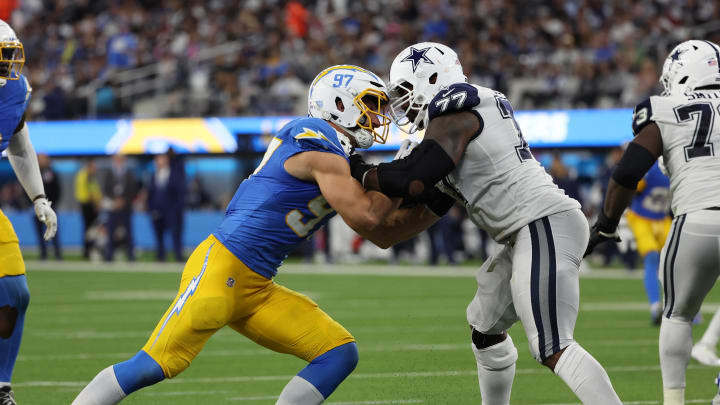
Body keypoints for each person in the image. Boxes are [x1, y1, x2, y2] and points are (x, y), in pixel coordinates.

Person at [71, 65, 402, 405]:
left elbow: (379, 222)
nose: (378, 117)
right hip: (223, 268)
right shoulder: (313, 134)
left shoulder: (339, 155)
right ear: (339, 103)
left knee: (338, 353)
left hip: (256, 286)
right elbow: (365, 215)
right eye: (370, 105)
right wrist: (406, 173)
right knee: (155, 364)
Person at [352, 42, 622, 404]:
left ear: (433, 78)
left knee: (553, 346)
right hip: (528, 232)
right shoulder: (450, 141)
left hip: (542, 221)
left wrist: (358, 170)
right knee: (485, 329)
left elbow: (415, 178)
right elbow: (398, 228)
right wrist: (350, 203)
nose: (402, 104)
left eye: (404, 92)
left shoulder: (458, 103)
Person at [585, 40, 720, 405]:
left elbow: (628, 172)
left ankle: (673, 401)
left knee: (677, 315)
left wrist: (607, 224)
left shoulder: (664, 107)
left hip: (696, 219)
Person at [0, 19, 57, 405]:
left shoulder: (13, 91)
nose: (9, 67)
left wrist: (39, 197)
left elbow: (19, 145)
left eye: (9, 57)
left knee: (13, 289)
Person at [625, 160, 671, 324]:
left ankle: (683, 306)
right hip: (641, 218)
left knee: (677, 259)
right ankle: (655, 306)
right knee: (652, 257)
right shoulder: (650, 166)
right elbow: (631, 187)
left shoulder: (675, 165)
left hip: (662, 218)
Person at [147, 149, 186, 261]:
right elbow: (150, 193)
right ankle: (160, 256)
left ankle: (178, 256)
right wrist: (151, 208)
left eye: (162, 159)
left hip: (172, 211)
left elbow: (180, 192)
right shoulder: (153, 175)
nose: (159, 161)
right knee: (158, 234)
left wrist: (177, 208)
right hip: (157, 210)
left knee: (175, 234)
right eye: (157, 159)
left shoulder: (175, 173)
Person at [101, 154, 137, 262]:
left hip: (126, 208)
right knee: (111, 231)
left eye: (121, 160)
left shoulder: (129, 174)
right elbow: (106, 189)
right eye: (117, 160)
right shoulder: (109, 174)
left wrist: (124, 201)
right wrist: (114, 201)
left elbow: (133, 190)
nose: (119, 162)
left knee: (129, 232)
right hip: (113, 208)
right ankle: (109, 255)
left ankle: (130, 255)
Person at [32, 153, 61, 260]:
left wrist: (53, 204)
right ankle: (43, 254)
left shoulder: (52, 173)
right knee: (40, 232)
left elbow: (57, 189)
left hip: (50, 206)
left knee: (53, 229)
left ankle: (57, 254)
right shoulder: (33, 173)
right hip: (37, 207)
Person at [74, 159, 102, 259]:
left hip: (92, 206)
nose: (95, 169)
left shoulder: (91, 177)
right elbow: (87, 193)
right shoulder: (84, 176)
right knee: (89, 230)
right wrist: (95, 202)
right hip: (87, 206)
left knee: (92, 230)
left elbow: (96, 191)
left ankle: (91, 250)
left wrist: (98, 202)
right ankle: (87, 251)